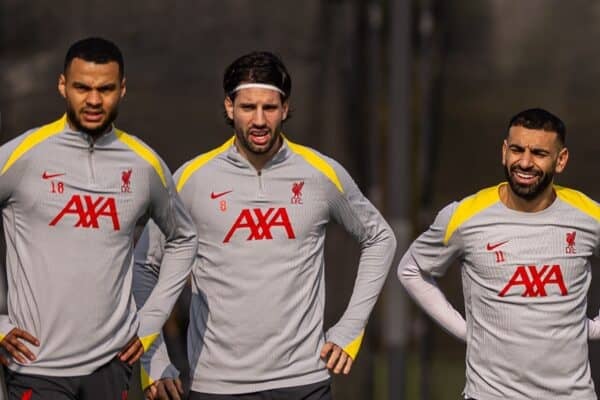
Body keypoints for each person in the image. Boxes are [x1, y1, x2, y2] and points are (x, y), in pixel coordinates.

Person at [134, 51, 397, 400]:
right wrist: (153, 357)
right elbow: (144, 264)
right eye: (248, 107)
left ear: (285, 109)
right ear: (229, 107)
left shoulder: (321, 174)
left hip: (303, 381)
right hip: (216, 386)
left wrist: (352, 325)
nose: (259, 120)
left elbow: (380, 237)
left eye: (270, 108)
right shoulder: (191, 180)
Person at [0, 37, 198, 399]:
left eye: (105, 89)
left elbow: (184, 238)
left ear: (122, 89)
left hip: (110, 367)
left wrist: (151, 320)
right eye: (82, 87)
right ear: (62, 85)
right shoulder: (21, 155)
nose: (93, 100)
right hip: (36, 368)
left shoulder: (144, 164)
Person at [398, 108, 600, 399]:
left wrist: (591, 329)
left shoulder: (588, 215)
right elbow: (411, 270)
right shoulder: (465, 216)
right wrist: (465, 331)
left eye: (539, 153)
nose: (525, 162)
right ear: (504, 152)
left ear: (561, 160)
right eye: (517, 149)